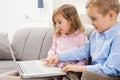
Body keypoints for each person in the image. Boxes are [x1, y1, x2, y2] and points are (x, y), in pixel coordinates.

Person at [43, 0, 120, 80]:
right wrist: (59, 57)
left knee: (88, 75)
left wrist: (81, 68)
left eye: (94, 19)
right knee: (68, 69)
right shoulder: (95, 34)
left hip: (111, 75)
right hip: (93, 71)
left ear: (111, 15)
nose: (91, 23)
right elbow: (81, 51)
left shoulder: (118, 37)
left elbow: (112, 68)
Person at [46, 4, 88, 80]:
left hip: (71, 70)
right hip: (56, 69)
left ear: (71, 20)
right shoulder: (57, 36)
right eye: (55, 23)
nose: (57, 26)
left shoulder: (81, 38)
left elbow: (84, 59)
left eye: (59, 22)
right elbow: (52, 49)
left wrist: (76, 67)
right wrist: (50, 57)